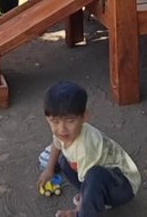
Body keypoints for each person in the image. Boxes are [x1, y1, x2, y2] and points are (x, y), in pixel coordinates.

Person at [37, 81, 140, 217]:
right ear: (47, 118)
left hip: (123, 185)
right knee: (63, 162)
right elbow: (56, 143)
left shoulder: (85, 150)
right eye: (55, 122)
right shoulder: (64, 134)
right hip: (102, 175)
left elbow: (89, 180)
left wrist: (77, 211)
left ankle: (89, 206)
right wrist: (49, 170)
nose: (62, 129)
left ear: (84, 116)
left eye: (70, 121)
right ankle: (94, 197)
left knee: (93, 176)